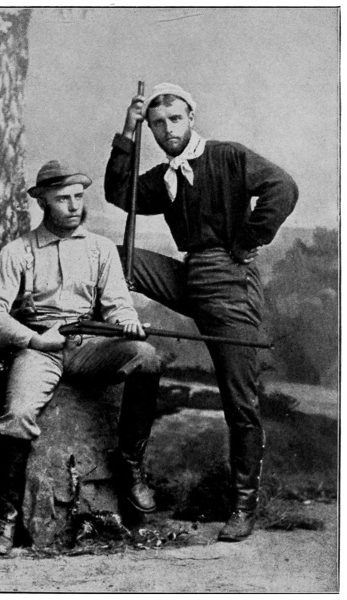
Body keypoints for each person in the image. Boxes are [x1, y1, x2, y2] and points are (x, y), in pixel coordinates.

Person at [104, 82, 299, 542]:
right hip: (190, 276)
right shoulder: (163, 177)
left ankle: (243, 507)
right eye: (157, 124)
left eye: (175, 119)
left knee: (240, 403)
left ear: (191, 117)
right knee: (110, 256)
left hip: (229, 285)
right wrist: (127, 131)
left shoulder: (226, 156)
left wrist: (248, 239)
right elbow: (119, 193)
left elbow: (283, 188)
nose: (167, 130)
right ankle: (87, 332)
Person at [0, 159, 162, 555]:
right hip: (39, 348)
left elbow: (117, 304)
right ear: (42, 202)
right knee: (18, 414)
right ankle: (5, 522)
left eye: (79, 196)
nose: (75, 205)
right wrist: (33, 339)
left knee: (146, 357)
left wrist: (127, 321)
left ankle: (131, 466)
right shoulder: (18, 251)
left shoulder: (100, 249)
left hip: (88, 345)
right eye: (63, 198)